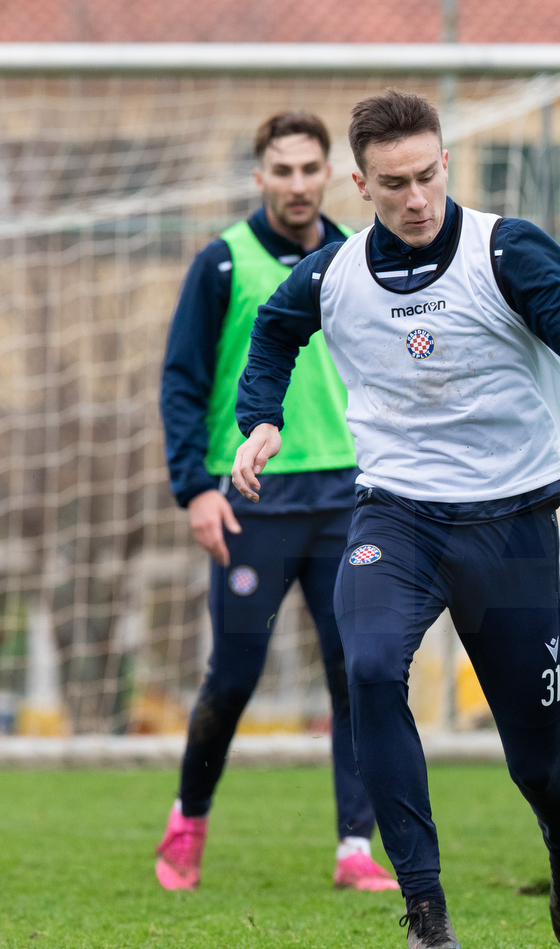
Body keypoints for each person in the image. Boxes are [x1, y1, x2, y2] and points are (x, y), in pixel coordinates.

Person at [230, 90, 560, 949]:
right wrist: (261, 418)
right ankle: (425, 905)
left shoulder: (506, 249)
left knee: (536, 751)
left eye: (429, 174)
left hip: (512, 524)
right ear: (359, 183)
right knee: (367, 667)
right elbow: (275, 331)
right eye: (394, 183)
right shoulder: (332, 275)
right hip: (396, 515)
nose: (416, 197)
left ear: (446, 162)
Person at [154, 111, 397, 895]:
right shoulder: (221, 264)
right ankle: (188, 819)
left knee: (354, 672)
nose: (297, 183)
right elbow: (182, 383)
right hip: (251, 498)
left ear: (331, 174)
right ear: (260, 176)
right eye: (281, 170)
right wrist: (194, 487)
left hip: (347, 497)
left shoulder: (361, 259)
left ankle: (355, 846)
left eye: (309, 169)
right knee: (233, 675)